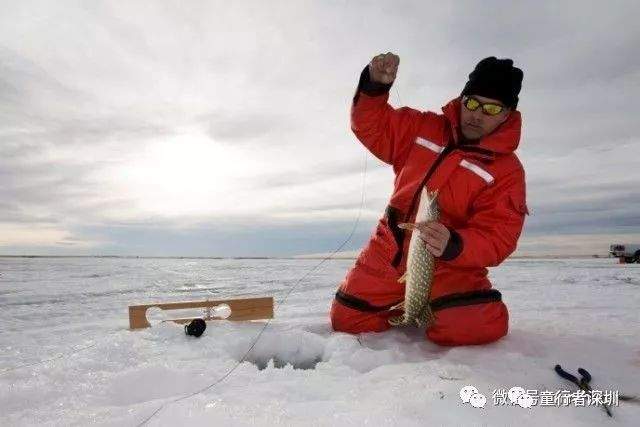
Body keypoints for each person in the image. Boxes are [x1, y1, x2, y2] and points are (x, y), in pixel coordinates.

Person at [330, 53, 528, 346]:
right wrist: (374, 88)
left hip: (451, 265)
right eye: (472, 103)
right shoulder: (422, 127)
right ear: (461, 100)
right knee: (347, 319)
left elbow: (499, 237)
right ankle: (405, 304)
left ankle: (433, 306)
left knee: (473, 325)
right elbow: (372, 126)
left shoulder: (507, 172)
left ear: (507, 114)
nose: (476, 114)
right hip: (390, 248)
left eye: (491, 108)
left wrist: (455, 244)